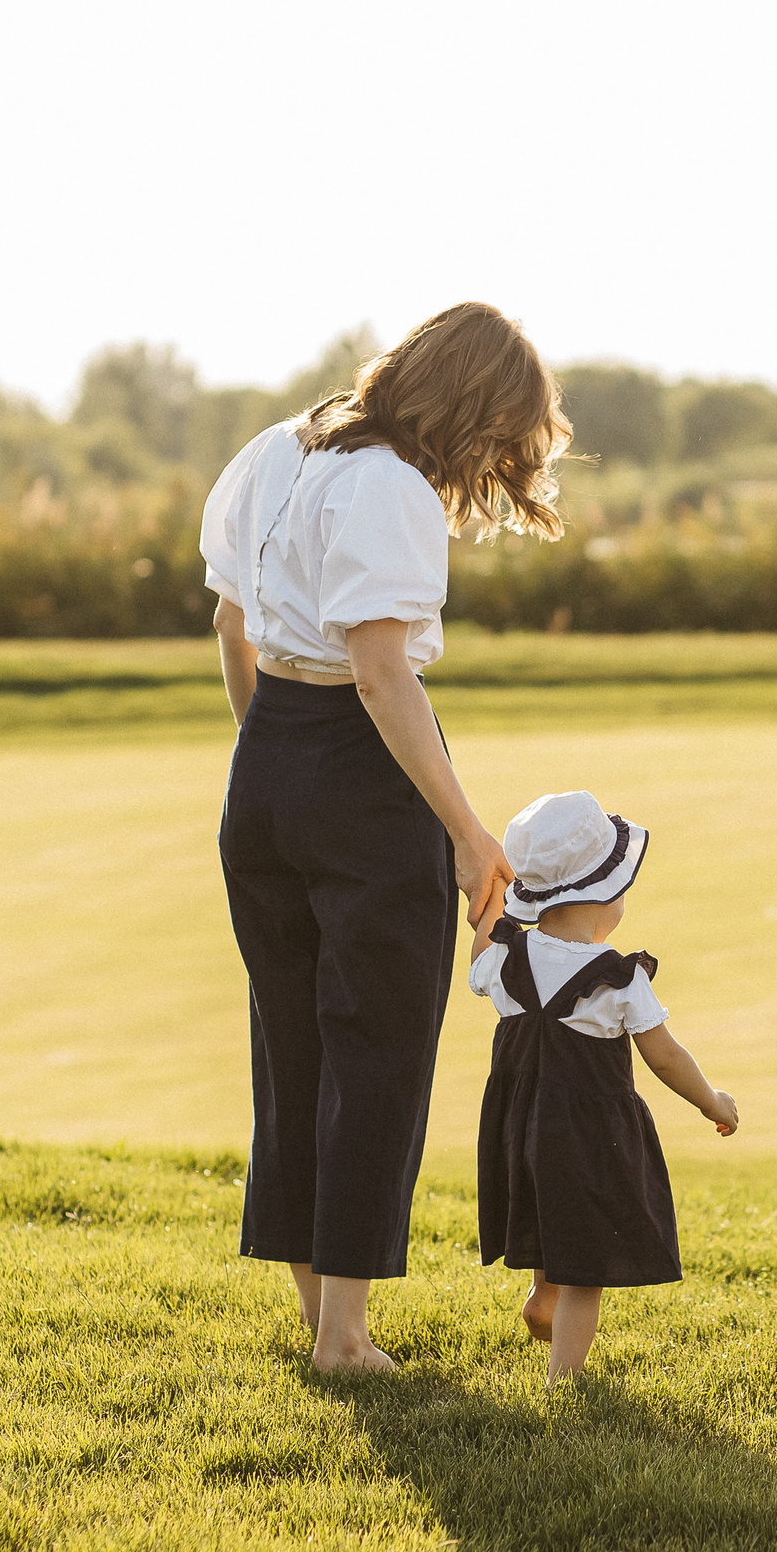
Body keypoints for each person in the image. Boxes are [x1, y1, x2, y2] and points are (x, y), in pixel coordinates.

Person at [203, 302, 567, 1373]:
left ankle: (325, 1317)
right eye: (503, 435)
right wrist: (465, 830)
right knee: (377, 1053)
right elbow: (379, 670)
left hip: (265, 758)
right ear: (472, 407)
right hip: (364, 780)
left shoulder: (278, 446)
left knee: (293, 1047)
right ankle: (346, 1340)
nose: (498, 461)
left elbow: (229, 622)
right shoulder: (394, 486)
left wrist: (267, 758)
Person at [470, 790, 739, 1384]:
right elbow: (665, 1056)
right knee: (587, 1264)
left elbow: (478, 956)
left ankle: (544, 1293)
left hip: (519, 1124)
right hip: (589, 1136)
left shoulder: (505, 958)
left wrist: (489, 909)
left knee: (546, 1209)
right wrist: (712, 1101)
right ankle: (565, 1377)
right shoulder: (616, 980)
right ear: (602, 895)